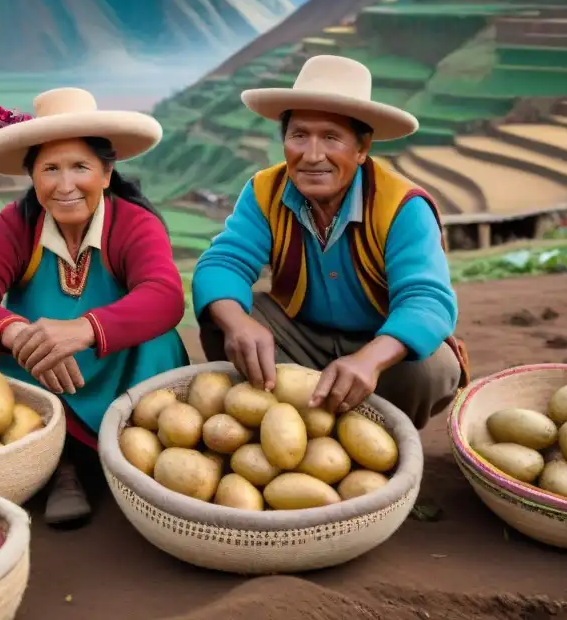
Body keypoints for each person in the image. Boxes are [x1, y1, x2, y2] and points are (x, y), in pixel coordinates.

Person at [0, 89, 189, 528]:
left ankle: (129, 447)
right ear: (32, 176)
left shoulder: (133, 223)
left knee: (159, 337)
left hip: (110, 366)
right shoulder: (16, 224)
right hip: (34, 370)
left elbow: (165, 296)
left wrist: (83, 331)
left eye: (80, 167)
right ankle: (58, 461)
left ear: (107, 173)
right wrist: (20, 337)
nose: (65, 184)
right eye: (49, 168)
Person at [192, 55, 469, 430]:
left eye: (331, 137)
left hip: (382, 346)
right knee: (223, 317)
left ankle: (383, 437)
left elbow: (427, 300)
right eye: (299, 135)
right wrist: (238, 322)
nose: (312, 155)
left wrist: (369, 360)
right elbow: (223, 262)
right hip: (300, 336)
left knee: (431, 368)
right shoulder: (264, 191)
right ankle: (276, 424)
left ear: (362, 147)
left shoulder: (402, 206)